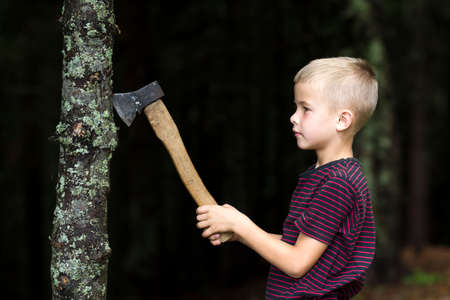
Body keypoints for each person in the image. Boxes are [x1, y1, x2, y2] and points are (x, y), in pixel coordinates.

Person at [196, 57, 378, 299]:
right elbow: (301, 244)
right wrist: (239, 234)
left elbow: (296, 263)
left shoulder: (339, 183)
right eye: (296, 107)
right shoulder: (325, 175)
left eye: (306, 108)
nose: (294, 117)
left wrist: (242, 224)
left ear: (342, 120)